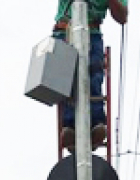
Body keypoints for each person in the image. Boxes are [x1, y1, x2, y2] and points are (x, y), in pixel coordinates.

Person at [52, 0, 128, 151]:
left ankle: (96, 125)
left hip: (92, 32)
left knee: (94, 77)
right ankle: (69, 126)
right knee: (68, 81)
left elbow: (122, 17)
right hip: (65, 31)